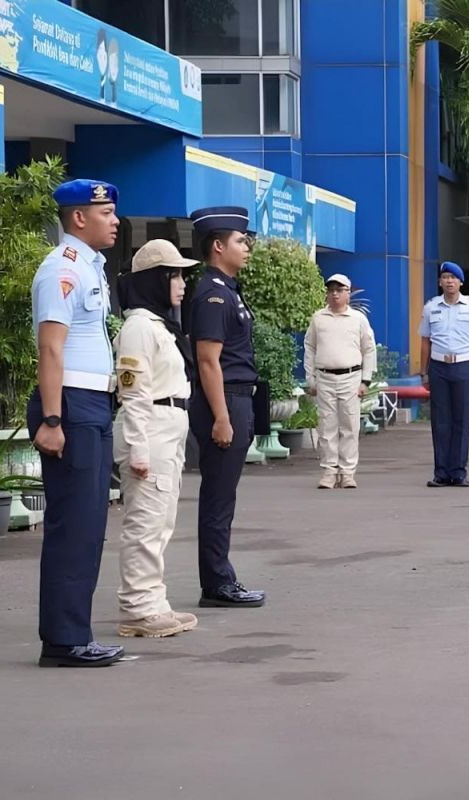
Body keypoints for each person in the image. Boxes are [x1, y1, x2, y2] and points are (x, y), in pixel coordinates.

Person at [28, 179, 124, 668]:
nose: (115, 220)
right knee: (73, 527)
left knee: (90, 525)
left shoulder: (90, 268)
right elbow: (50, 347)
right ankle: (64, 641)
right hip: (69, 404)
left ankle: (75, 634)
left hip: (91, 404)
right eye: (106, 212)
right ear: (79, 217)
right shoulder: (60, 270)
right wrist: (50, 418)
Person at [113, 239, 200, 638]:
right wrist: (138, 448)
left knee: (161, 520)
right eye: (175, 275)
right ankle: (138, 607)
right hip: (150, 427)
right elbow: (133, 393)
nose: (182, 283)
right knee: (146, 521)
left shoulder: (159, 325)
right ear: (155, 280)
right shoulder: (137, 329)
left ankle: (153, 601)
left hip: (168, 426)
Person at [187, 206, 265, 608]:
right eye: (239, 240)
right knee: (218, 497)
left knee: (224, 496)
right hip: (226, 400)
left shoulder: (227, 289)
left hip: (237, 399)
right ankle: (217, 584)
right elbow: (207, 360)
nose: (246, 247)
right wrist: (221, 416)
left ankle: (220, 578)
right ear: (218, 246)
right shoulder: (213, 293)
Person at [304, 273, 378, 489]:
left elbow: (369, 349)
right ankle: (329, 471)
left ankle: (347, 472)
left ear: (348, 293)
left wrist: (366, 380)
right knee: (326, 426)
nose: (334, 294)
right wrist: (311, 378)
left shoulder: (358, 319)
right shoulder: (318, 318)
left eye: (339, 290)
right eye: (331, 290)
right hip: (325, 377)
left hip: (351, 377)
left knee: (349, 425)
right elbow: (309, 347)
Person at [419, 261, 469, 487]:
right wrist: (424, 371)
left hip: (464, 366)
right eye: (445, 277)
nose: (449, 281)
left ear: (460, 282)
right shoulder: (431, 307)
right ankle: (441, 473)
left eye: (453, 277)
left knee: (461, 420)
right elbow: (425, 341)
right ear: (440, 281)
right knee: (440, 422)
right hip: (439, 367)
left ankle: (458, 472)